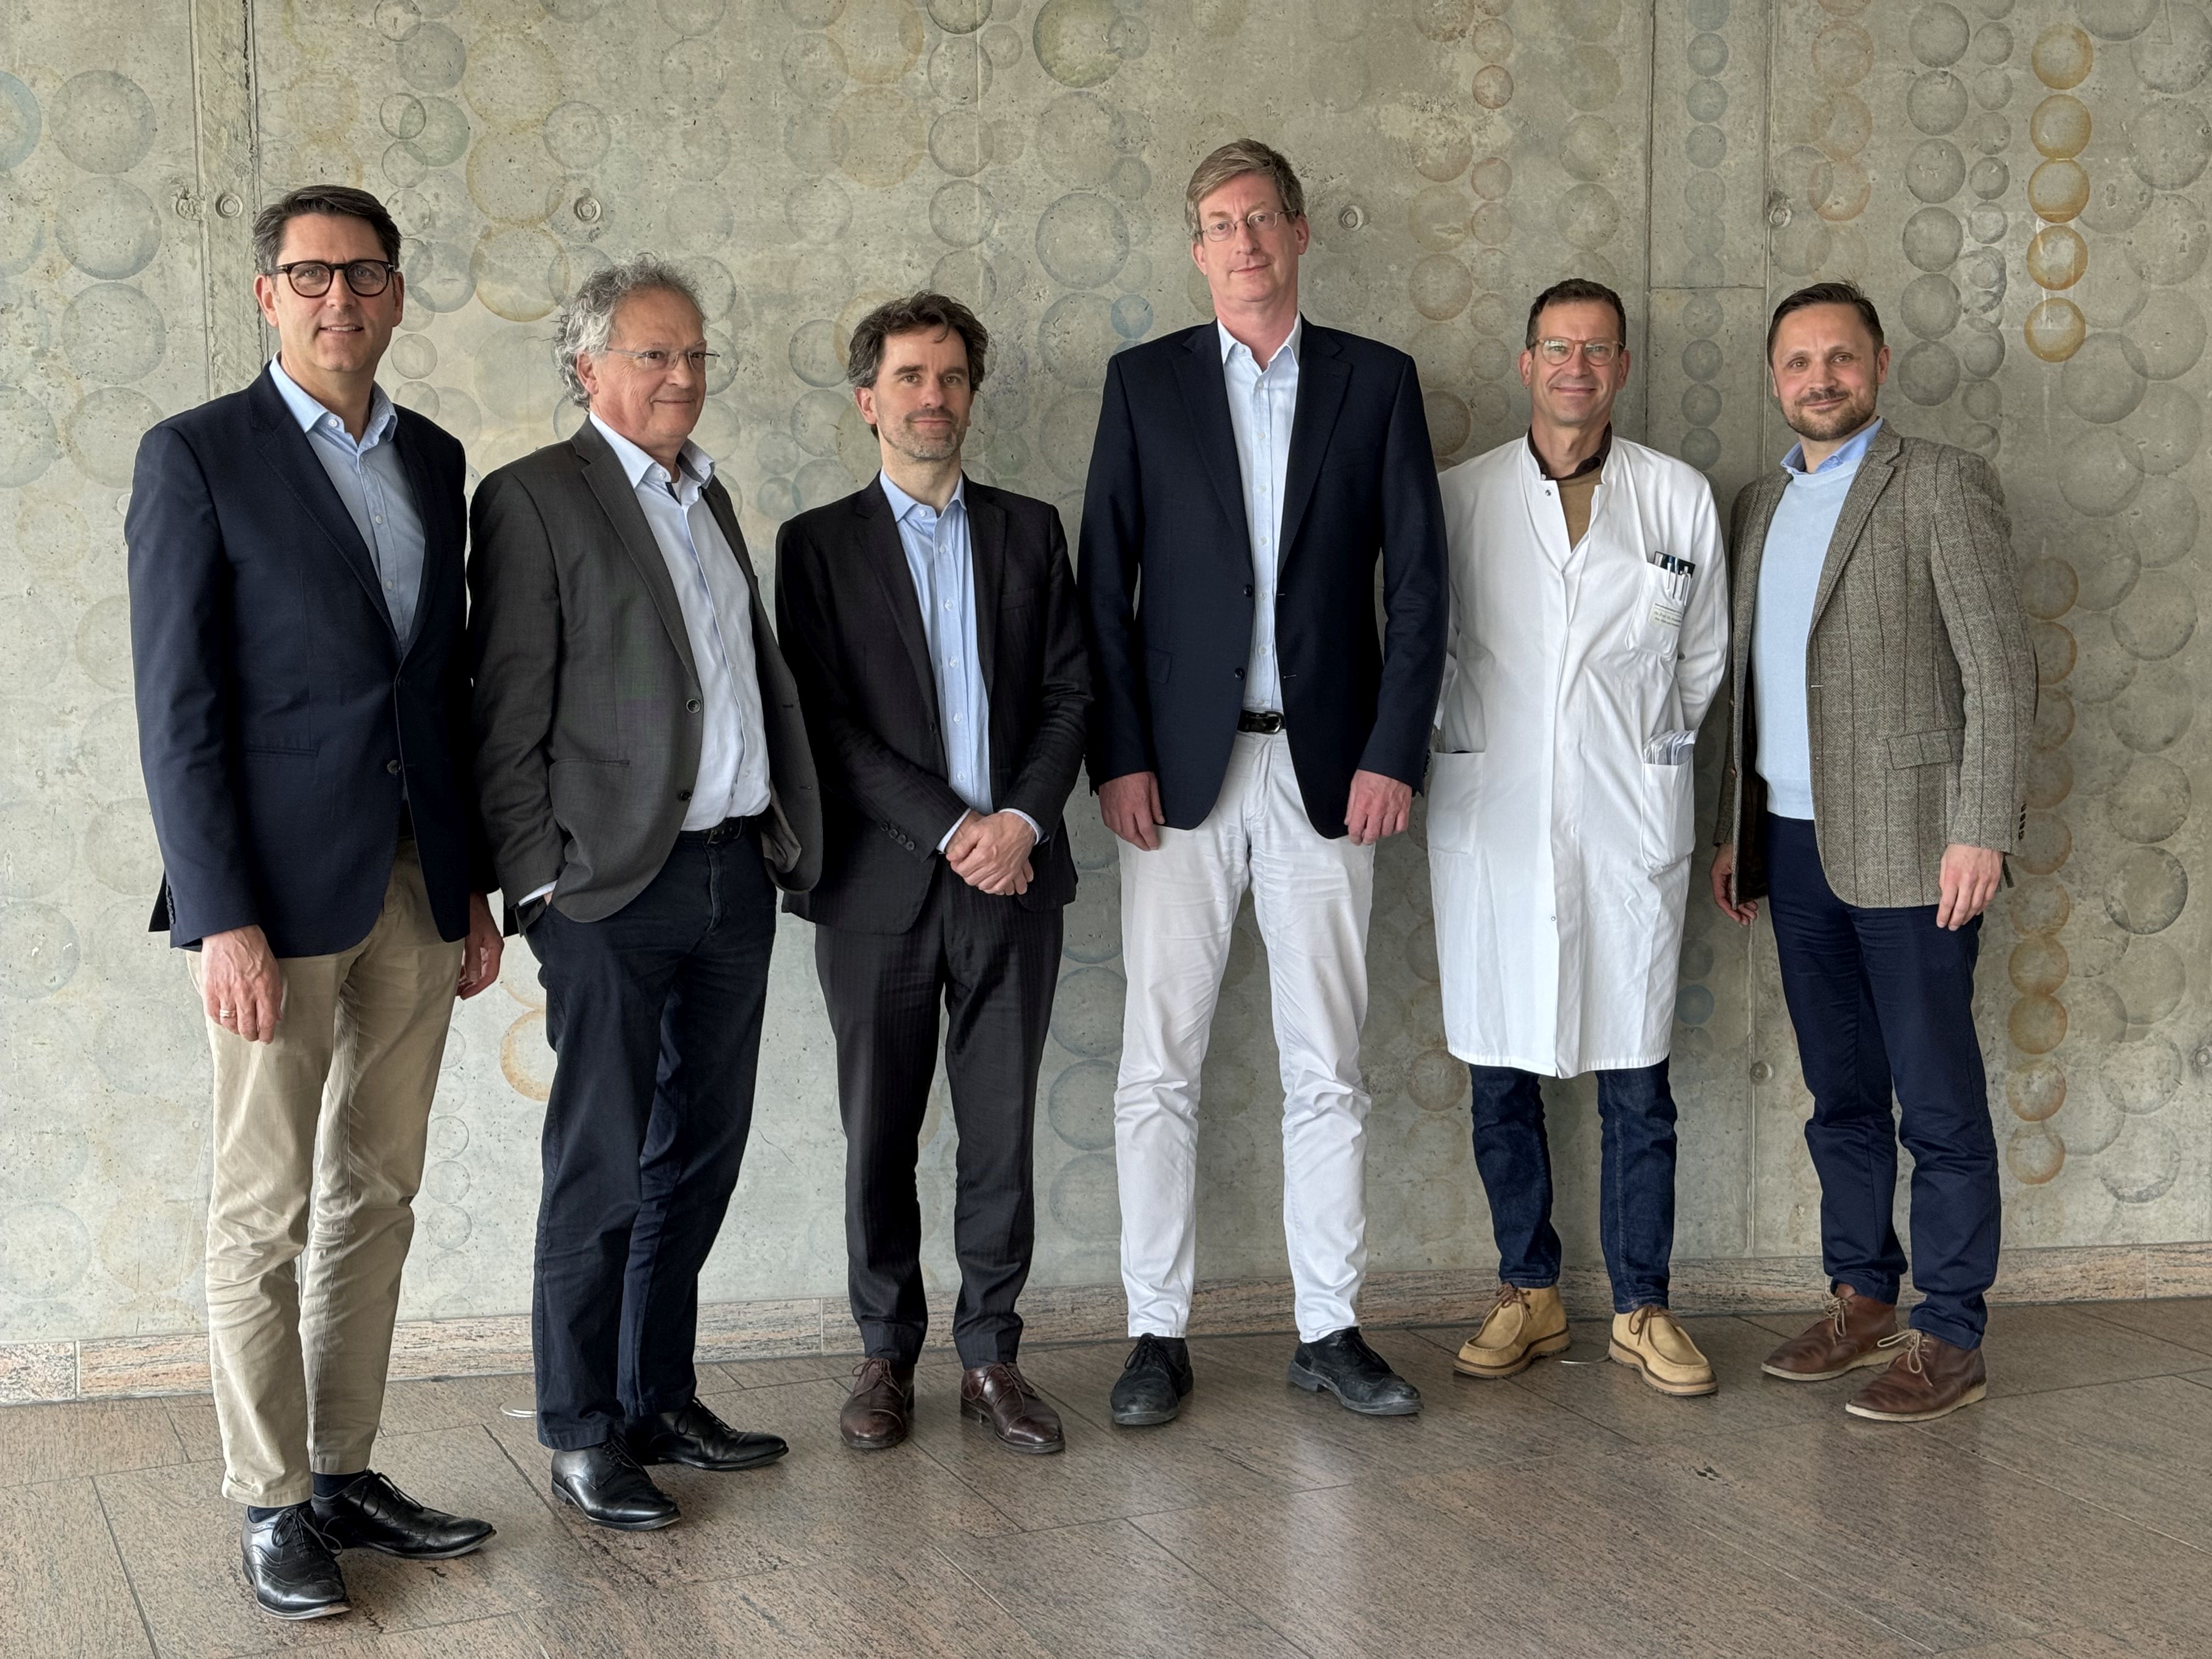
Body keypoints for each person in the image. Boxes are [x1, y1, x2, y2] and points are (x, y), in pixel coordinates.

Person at [127, 184, 501, 1621]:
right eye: (310, 274)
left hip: (416, 881)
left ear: (396, 293)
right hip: (272, 903)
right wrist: (218, 914)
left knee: (378, 1194)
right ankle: (273, 1501)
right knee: (264, 1207)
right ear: (267, 294)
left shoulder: (435, 458)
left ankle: (344, 1472)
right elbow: (177, 708)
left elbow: (442, 687)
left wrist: (470, 888)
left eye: (364, 274)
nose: (339, 297)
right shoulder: (197, 456)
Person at [1080, 139, 1448, 1425]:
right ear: (1197, 250)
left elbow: (1421, 585)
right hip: (1178, 778)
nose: (1243, 242)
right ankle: (1155, 1334)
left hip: (1331, 771)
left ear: (1298, 233)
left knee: (1327, 1064)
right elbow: (1104, 584)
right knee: (1157, 1066)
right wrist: (1119, 754)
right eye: (1219, 224)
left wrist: (1394, 751)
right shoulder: (1144, 385)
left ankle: (1329, 1330)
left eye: (1260, 219)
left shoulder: (1377, 381)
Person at [469, 256, 823, 1528]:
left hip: (733, 872)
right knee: (602, 1165)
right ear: (588, 368)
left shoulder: (706, 495)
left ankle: (655, 1395)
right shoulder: (533, 497)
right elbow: (505, 712)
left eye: (694, 355)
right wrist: (539, 889)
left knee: (698, 1156)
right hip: (610, 893)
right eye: (654, 354)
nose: (683, 376)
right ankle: (580, 1429)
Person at [1712, 281, 2036, 1423]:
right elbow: (1753, 683)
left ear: (1880, 365)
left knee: (1936, 1099)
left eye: (1840, 357)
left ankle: (1951, 1332)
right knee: (1839, 1094)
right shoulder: (1757, 503)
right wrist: (1735, 831)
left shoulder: (1940, 483)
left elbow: (2001, 672)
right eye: (1798, 362)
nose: (1821, 378)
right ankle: (1861, 1298)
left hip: (1916, 848)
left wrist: (1980, 826)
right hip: (1794, 848)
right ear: (1775, 379)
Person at [776, 293, 1089, 1457]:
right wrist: (955, 826)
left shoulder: (1029, 531)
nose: (933, 397)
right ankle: (885, 1354)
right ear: (869, 400)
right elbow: (823, 723)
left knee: (1001, 1133)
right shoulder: (817, 545)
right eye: (910, 377)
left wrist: (1019, 822)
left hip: (1014, 880)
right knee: (881, 1135)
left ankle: (992, 1355)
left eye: (951, 377)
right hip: (879, 887)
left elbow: (1071, 693)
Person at [1432, 279, 1730, 1397]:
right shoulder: (1460, 497)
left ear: (1622, 368)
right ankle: (1530, 1290)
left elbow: (1702, 660)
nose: (1576, 367)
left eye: (1597, 349)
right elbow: (1420, 642)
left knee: (1636, 1078)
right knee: (1499, 1070)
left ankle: (1644, 1306)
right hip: (1495, 816)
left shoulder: (1676, 497)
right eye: (1557, 347)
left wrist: (1646, 753)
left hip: (1626, 818)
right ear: (1527, 364)